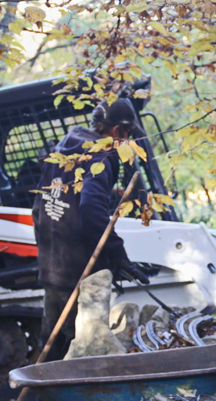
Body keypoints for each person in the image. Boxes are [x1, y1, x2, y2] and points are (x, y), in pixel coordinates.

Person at [33, 98, 151, 359]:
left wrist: (46, 254)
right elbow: (90, 212)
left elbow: (39, 209)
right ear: (118, 131)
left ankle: (42, 398)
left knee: (52, 352)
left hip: (52, 267)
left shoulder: (62, 151)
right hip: (79, 275)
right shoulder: (102, 156)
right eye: (128, 136)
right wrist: (119, 255)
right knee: (84, 354)